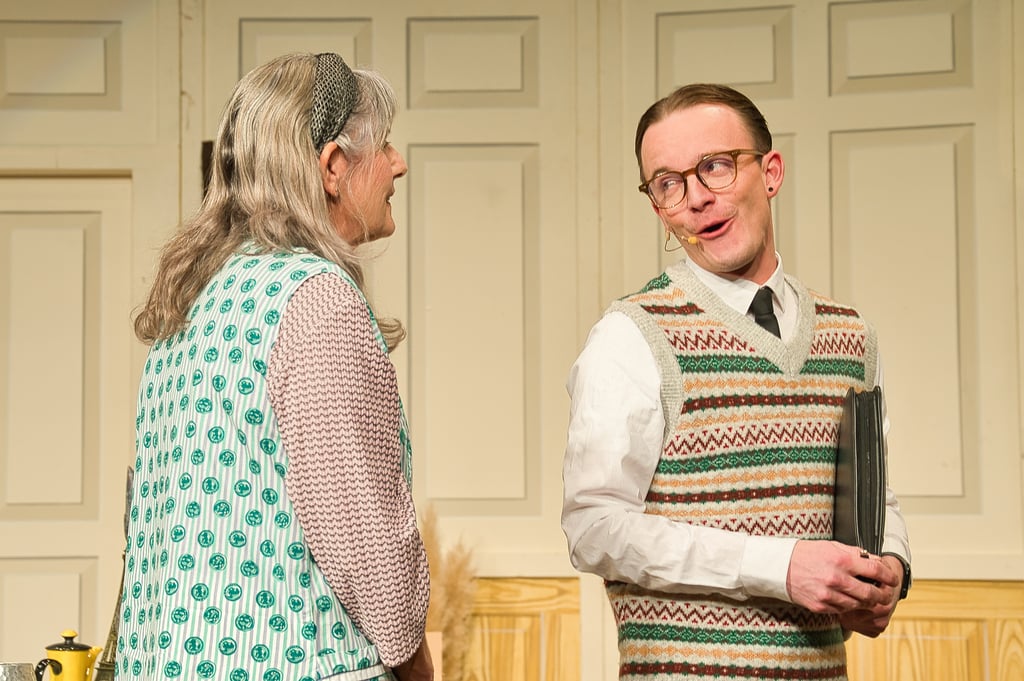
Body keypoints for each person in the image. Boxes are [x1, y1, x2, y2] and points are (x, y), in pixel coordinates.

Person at [561, 83, 912, 680]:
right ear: (658, 207)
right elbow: (593, 529)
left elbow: (876, 498)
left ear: (770, 172)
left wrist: (893, 569)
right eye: (668, 183)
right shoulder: (631, 335)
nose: (697, 198)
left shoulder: (852, 336)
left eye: (715, 166)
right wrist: (779, 567)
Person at [116, 52, 432, 681]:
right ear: (333, 167)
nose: (399, 163)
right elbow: (365, 540)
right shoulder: (317, 302)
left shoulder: (193, 300)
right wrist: (416, 665)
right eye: (384, 145)